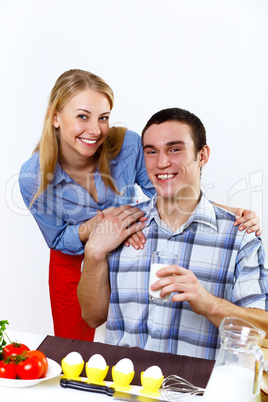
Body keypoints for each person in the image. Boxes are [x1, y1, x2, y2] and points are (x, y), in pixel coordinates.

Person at [19, 69, 260, 342]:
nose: (95, 130)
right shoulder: (32, 177)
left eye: (103, 118)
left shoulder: (128, 145)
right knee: (72, 347)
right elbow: (59, 238)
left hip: (128, 237)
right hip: (71, 256)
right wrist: (103, 225)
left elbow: (165, 191)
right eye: (82, 116)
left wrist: (224, 210)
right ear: (55, 118)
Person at [78, 107, 268, 359]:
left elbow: (263, 329)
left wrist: (208, 302)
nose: (161, 162)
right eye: (151, 152)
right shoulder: (120, 226)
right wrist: (93, 252)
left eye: (175, 149)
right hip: (124, 389)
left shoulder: (240, 236)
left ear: (202, 155)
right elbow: (92, 317)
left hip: (198, 393)